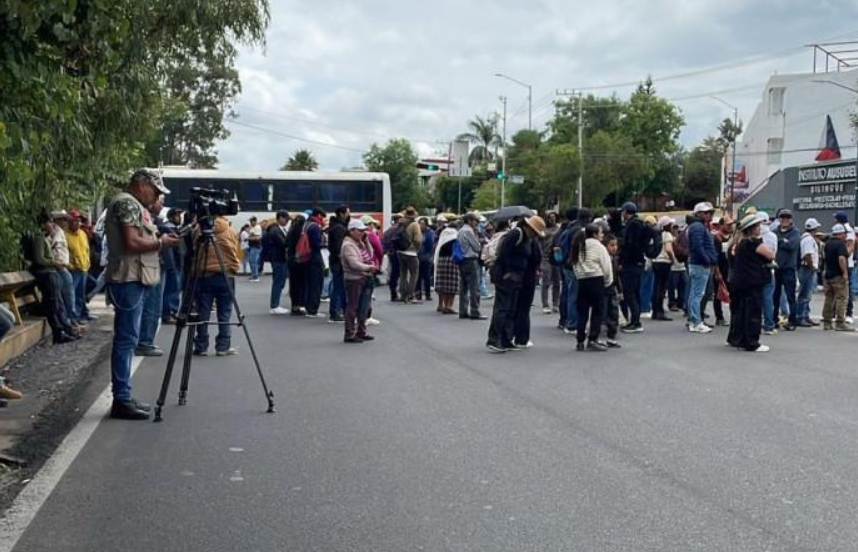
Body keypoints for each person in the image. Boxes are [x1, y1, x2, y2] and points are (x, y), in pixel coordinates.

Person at [105, 170, 179, 420]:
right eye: (155, 191)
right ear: (142, 184)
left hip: (135, 277)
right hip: (128, 278)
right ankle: (121, 398)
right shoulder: (127, 203)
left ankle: (124, 395)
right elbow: (132, 243)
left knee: (129, 338)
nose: (156, 197)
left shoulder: (135, 205)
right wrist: (161, 242)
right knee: (126, 340)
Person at [486, 216, 545, 353]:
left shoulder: (525, 237)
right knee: (503, 308)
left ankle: (505, 339)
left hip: (517, 276)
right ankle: (494, 339)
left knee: (511, 309)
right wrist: (507, 272)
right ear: (529, 228)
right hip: (507, 276)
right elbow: (503, 253)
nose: (535, 235)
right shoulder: (516, 234)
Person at [24, 212, 79, 344]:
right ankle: (58, 332)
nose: (52, 225)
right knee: (53, 304)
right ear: (43, 224)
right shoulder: (39, 238)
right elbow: (39, 259)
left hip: (50, 272)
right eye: (49, 222)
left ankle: (65, 329)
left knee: (58, 303)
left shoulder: (44, 237)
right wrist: (54, 262)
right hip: (46, 273)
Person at [192, 213, 241, 356]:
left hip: (204, 273)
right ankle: (223, 346)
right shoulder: (230, 230)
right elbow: (235, 250)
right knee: (224, 312)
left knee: (203, 312)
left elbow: (194, 248)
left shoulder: (199, 229)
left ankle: (201, 345)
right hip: (225, 274)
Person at [727, 214, 775, 352]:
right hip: (752, 280)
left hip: (739, 280)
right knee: (753, 312)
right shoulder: (753, 242)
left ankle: (737, 339)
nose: (759, 228)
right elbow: (770, 254)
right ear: (752, 228)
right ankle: (752, 342)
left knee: (740, 311)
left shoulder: (738, 242)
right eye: (757, 226)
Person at [569, 223, 613, 352]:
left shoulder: (579, 245)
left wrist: (580, 276)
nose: (602, 235)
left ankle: (580, 340)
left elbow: (575, 264)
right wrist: (607, 282)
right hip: (596, 280)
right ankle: (593, 339)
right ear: (594, 234)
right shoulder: (599, 247)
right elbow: (606, 267)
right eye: (600, 232)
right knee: (597, 311)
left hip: (582, 281)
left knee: (582, 312)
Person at [135, 195, 168, 357]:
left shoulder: (155, 220)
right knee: (151, 307)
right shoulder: (144, 217)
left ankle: (145, 340)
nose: (162, 206)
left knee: (153, 307)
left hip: (154, 265)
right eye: (160, 202)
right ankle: (144, 342)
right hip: (148, 267)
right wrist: (162, 241)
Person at [340, 219, 377, 343]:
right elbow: (353, 264)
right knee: (353, 306)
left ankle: (361, 332)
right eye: (360, 230)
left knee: (364, 307)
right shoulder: (348, 245)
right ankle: (350, 334)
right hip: (355, 278)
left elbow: (370, 254)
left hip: (365, 277)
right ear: (351, 231)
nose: (362, 233)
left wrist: (366, 241)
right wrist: (369, 267)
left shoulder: (359, 243)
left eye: (363, 231)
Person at [686, 202, 718, 334]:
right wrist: (707, 260)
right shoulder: (698, 227)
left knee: (695, 293)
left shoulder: (697, 226)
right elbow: (698, 246)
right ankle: (696, 321)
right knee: (697, 294)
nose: (709, 215)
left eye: (710, 212)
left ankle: (694, 320)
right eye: (706, 212)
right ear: (698, 213)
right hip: (700, 264)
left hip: (697, 263)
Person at [618, 202, 648, 333]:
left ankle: (635, 322)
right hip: (638, 262)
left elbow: (630, 246)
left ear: (626, 212)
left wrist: (622, 261)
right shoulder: (639, 223)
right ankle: (635, 320)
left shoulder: (633, 225)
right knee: (635, 292)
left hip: (631, 264)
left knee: (629, 293)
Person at [512, 224, 542, 348]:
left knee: (515, 306)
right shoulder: (532, 240)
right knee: (524, 308)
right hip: (528, 275)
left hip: (515, 275)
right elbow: (537, 257)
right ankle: (522, 339)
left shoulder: (515, 237)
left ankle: (511, 334)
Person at [822, 224, 854, 331]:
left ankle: (827, 322)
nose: (845, 235)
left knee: (829, 298)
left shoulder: (828, 244)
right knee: (841, 298)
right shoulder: (840, 244)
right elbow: (841, 258)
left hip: (828, 274)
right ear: (840, 234)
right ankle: (840, 322)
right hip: (838, 275)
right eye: (844, 233)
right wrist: (845, 272)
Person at [65, 209, 94, 323]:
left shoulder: (82, 234)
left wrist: (88, 263)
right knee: (73, 294)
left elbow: (86, 250)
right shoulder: (66, 235)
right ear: (69, 222)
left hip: (84, 268)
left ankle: (81, 314)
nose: (77, 223)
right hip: (73, 270)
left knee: (81, 294)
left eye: (78, 220)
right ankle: (74, 317)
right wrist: (70, 265)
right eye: (74, 221)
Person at [773, 209, 800, 331]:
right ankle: (773, 320)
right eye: (782, 217)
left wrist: (780, 242)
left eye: (787, 217)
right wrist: (783, 241)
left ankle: (792, 320)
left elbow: (792, 245)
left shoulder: (795, 232)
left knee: (790, 296)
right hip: (776, 268)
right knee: (775, 296)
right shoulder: (775, 231)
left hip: (789, 268)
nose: (785, 219)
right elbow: (772, 244)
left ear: (791, 219)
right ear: (779, 219)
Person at [458, 213, 485, 319]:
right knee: (474, 287)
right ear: (469, 220)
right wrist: (478, 239)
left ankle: (463, 310)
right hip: (470, 259)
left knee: (463, 286)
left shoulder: (461, 230)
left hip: (462, 259)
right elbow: (477, 247)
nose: (477, 223)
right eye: (475, 220)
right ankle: (475, 311)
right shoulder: (469, 231)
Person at [796, 218, 822, 327]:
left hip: (806, 268)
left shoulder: (806, 238)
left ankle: (805, 315)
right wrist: (812, 267)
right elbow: (807, 254)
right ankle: (800, 316)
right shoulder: (808, 240)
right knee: (804, 294)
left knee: (807, 294)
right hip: (807, 268)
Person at [161, 208, 185, 323]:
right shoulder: (169, 229)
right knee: (172, 289)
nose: (179, 217)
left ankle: (171, 312)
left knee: (174, 289)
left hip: (176, 263)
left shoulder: (174, 228)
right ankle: (168, 313)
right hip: (173, 263)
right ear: (171, 216)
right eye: (177, 215)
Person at [326, 206, 349, 322]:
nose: (349, 215)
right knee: (338, 287)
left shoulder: (334, 226)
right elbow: (339, 247)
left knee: (338, 286)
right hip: (338, 262)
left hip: (334, 260)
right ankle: (335, 311)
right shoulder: (340, 228)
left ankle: (340, 310)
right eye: (347, 213)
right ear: (341, 214)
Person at [396, 207, 423, 304]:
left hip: (400, 251)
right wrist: (418, 248)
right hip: (411, 252)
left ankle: (403, 294)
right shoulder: (415, 225)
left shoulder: (401, 223)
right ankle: (411, 295)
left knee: (403, 274)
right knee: (414, 274)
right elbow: (417, 239)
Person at [758, 213, 779, 335]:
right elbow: (773, 253)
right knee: (767, 298)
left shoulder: (751, 236)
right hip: (769, 268)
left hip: (754, 270)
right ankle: (769, 325)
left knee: (754, 297)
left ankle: (754, 322)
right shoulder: (772, 236)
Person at [433, 218, 459, 315]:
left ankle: (441, 304)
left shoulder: (443, 234)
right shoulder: (455, 235)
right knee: (452, 284)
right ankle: (449, 306)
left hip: (441, 260)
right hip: (452, 261)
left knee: (442, 284)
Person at [651, 216, 675, 321]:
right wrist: (672, 259)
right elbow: (668, 249)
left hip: (656, 261)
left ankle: (655, 311)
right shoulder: (668, 235)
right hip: (664, 262)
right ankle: (660, 312)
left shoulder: (657, 234)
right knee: (662, 288)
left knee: (656, 286)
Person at [711, 217, 734, 327]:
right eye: (728, 224)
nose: (730, 227)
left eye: (731, 224)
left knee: (733, 293)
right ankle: (719, 317)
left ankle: (734, 316)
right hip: (721, 268)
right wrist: (717, 272)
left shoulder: (732, 237)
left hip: (731, 269)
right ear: (721, 225)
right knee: (718, 294)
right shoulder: (716, 238)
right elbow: (714, 256)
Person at [304, 208, 327, 316]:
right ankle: (313, 309)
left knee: (309, 284)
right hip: (315, 258)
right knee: (316, 285)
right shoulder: (315, 226)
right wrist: (325, 244)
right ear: (319, 215)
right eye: (322, 217)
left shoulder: (306, 224)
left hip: (306, 258)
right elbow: (316, 244)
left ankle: (308, 307)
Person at [267, 210, 291, 315]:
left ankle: (276, 304)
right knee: (278, 282)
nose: (287, 221)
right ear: (280, 218)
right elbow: (283, 243)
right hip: (278, 258)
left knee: (280, 281)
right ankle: (274, 305)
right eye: (286, 219)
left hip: (279, 258)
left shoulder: (278, 229)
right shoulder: (275, 230)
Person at [602, 233, 622, 348]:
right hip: (604, 288)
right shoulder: (604, 259)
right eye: (612, 245)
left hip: (612, 289)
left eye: (616, 245)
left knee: (613, 312)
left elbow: (616, 276)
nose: (615, 248)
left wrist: (620, 290)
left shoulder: (614, 259)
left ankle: (612, 336)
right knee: (603, 311)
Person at [540, 212, 561, 314]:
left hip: (556, 256)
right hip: (545, 257)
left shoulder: (559, 228)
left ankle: (555, 304)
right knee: (546, 281)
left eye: (554, 217)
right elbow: (539, 243)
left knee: (557, 281)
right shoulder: (543, 229)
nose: (552, 219)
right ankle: (545, 304)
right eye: (550, 217)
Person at [286, 214, 307, 315]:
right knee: (300, 283)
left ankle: (294, 306)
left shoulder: (290, 230)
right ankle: (299, 305)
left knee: (293, 283)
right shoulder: (300, 232)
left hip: (290, 258)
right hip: (298, 259)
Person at [382, 214, 403, 301]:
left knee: (394, 273)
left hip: (391, 254)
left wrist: (387, 250)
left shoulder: (388, 231)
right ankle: (398, 293)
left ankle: (393, 293)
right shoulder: (398, 230)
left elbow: (384, 242)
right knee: (398, 273)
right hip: (398, 253)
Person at [415, 217, 435, 302]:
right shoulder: (417, 232)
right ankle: (418, 294)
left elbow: (431, 244)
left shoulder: (430, 232)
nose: (421, 225)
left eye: (423, 223)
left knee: (426, 276)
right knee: (418, 276)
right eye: (420, 223)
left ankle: (427, 294)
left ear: (426, 224)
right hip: (417, 256)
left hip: (426, 257)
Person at [246, 216, 262, 282]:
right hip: (252, 246)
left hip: (256, 247)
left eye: (251, 221)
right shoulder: (252, 227)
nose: (250, 222)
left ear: (255, 221)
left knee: (253, 261)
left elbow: (258, 238)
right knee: (251, 261)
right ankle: (253, 275)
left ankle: (256, 276)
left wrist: (248, 238)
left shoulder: (257, 227)